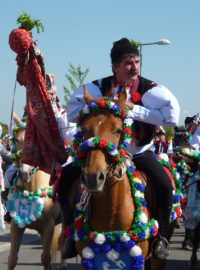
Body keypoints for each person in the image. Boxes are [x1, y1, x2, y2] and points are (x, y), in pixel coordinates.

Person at [58, 37, 180, 260]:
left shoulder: (150, 90)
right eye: (127, 62)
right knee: (65, 179)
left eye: (136, 61)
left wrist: (135, 110)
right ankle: (69, 235)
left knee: (164, 184)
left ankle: (161, 238)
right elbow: (73, 111)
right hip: (104, 154)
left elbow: (172, 117)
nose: (134, 67)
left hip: (138, 154)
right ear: (115, 67)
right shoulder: (97, 86)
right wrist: (101, 104)